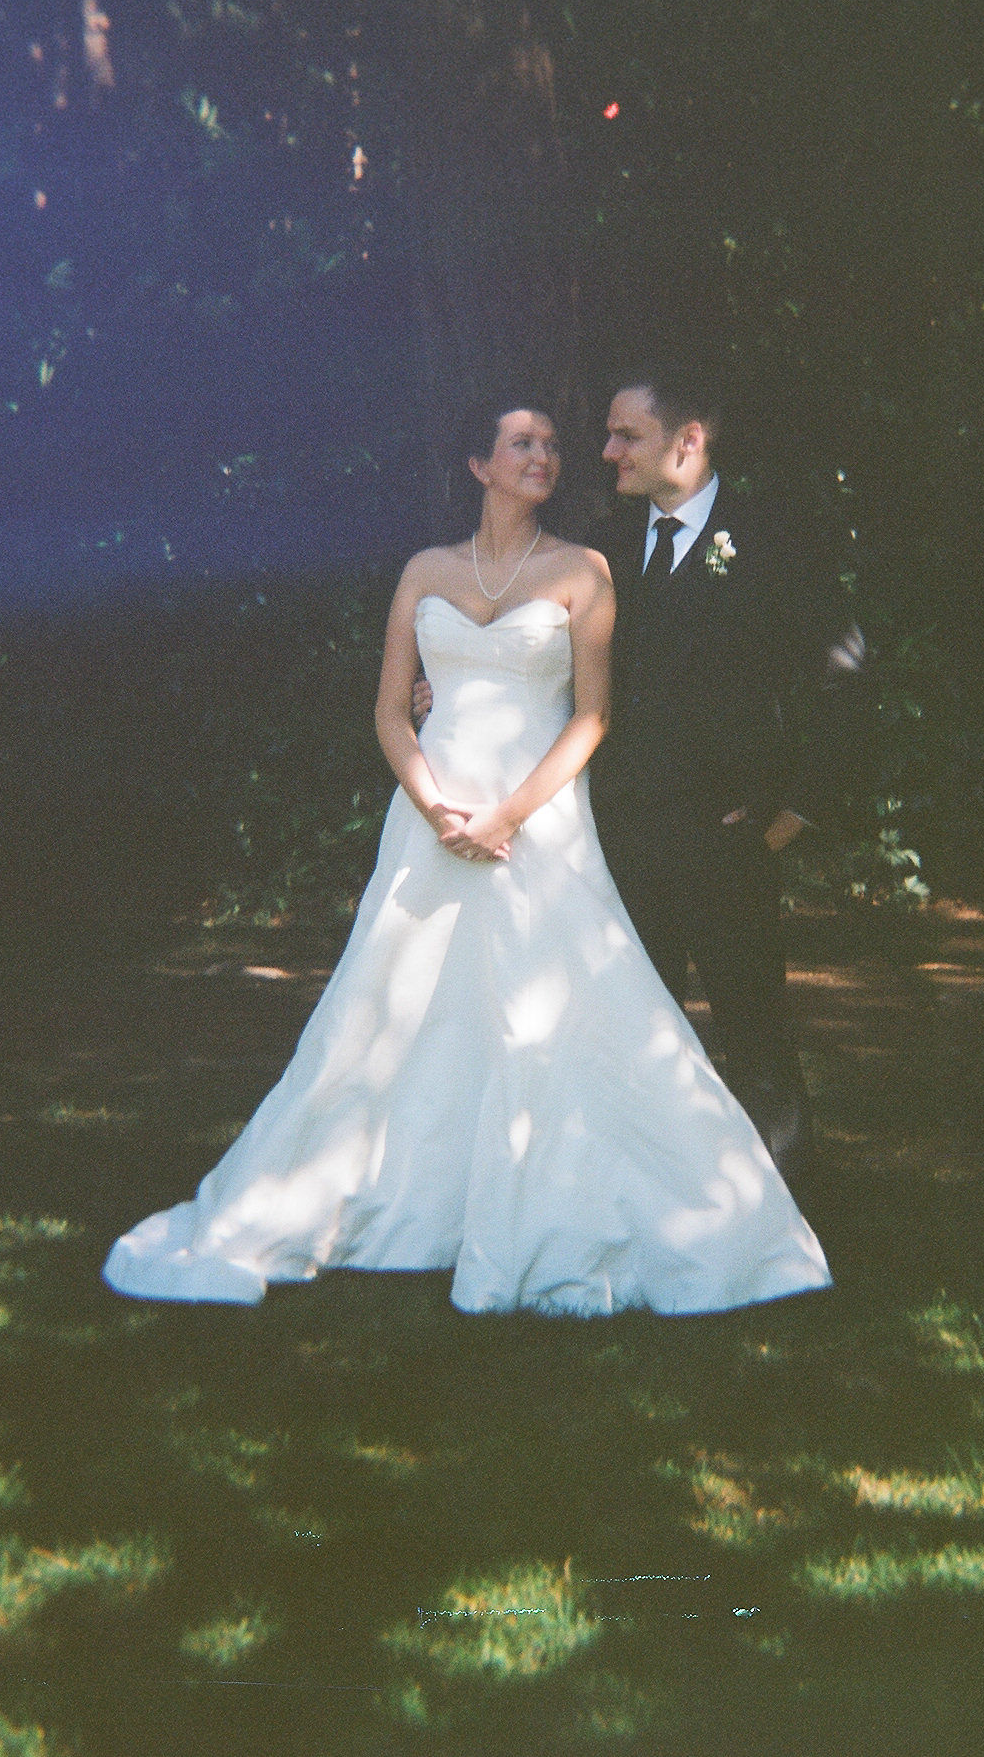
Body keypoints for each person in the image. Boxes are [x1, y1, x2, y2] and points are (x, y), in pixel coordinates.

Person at [100, 394, 831, 1316]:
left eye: (554, 446)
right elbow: (387, 706)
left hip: (540, 821)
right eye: (523, 444)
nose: (548, 456)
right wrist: (434, 800)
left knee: (554, 1014)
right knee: (394, 1011)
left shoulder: (587, 569)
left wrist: (511, 815)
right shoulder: (424, 570)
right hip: (432, 820)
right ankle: (398, 1193)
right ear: (478, 465)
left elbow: (593, 714)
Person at [591, 371, 857, 1182]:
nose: (608, 452)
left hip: (728, 837)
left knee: (756, 1035)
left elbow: (842, 673)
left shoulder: (776, 538)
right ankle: (652, 1203)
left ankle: (794, 1214)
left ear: (689, 440)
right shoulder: (598, 540)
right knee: (635, 1034)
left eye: (625, 436)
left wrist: (795, 814)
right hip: (619, 839)